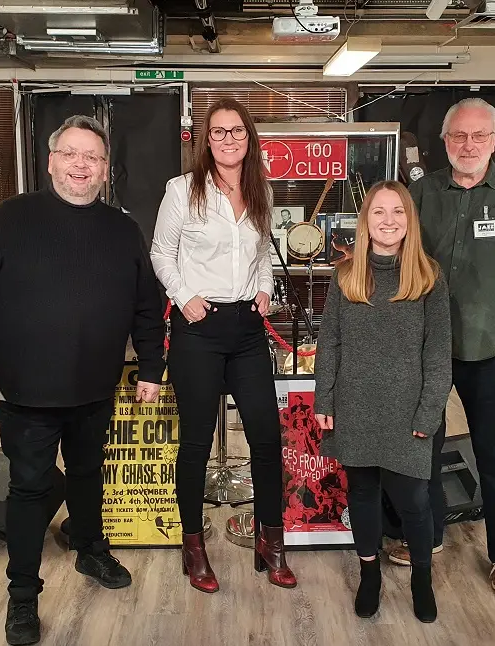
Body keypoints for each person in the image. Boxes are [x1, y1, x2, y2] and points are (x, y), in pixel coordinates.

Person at [0, 115, 165, 646]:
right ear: (50, 162)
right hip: (26, 390)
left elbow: (146, 306)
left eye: (91, 158)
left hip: (96, 385)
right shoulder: (10, 219)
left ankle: (90, 549)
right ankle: (23, 596)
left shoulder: (122, 229)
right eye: (70, 154)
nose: (81, 166)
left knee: (89, 473)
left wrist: (150, 367)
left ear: (105, 169)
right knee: (29, 489)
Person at [403, 97, 495, 595]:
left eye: (478, 135)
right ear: (444, 141)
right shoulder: (420, 193)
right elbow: (397, 266)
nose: (468, 145)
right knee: (422, 446)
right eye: (458, 136)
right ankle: (429, 535)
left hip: (491, 347)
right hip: (426, 345)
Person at [151, 97, 293, 593]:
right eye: (219, 131)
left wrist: (265, 289)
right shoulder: (182, 191)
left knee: (266, 437)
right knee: (193, 442)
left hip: (248, 328)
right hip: (199, 326)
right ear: (205, 139)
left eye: (237, 131)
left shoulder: (259, 189)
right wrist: (184, 297)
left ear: (248, 138)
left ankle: (270, 543)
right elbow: (161, 252)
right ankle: (193, 548)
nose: (228, 139)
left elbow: (260, 254)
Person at [313, 181, 451, 622]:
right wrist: (325, 398)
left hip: (408, 411)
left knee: (414, 500)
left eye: (397, 212)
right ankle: (369, 574)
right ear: (366, 220)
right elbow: (330, 342)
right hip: (355, 405)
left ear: (410, 221)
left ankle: (421, 580)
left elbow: (437, 352)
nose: (388, 220)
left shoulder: (429, 277)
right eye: (378, 212)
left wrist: (429, 411)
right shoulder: (345, 275)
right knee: (363, 495)